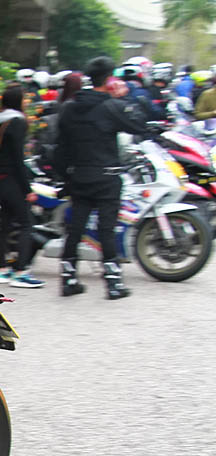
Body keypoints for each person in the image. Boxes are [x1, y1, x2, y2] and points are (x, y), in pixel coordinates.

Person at [55, 56, 148, 300]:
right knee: (106, 229)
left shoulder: (70, 107)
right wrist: (125, 98)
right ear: (109, 79)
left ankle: (69, 279)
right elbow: (140, 125)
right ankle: (113, 283)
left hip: (78, 176)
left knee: (75, 228)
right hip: (107, 177)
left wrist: (64, 177)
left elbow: (61, 147)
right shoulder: (111, 106)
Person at [0, 83, 44, 287]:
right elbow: (18, 160)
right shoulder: (18, 122)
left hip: (0, 179)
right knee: (26, 223)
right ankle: (21, 270)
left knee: (5, 224)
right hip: (13, 179)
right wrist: (27, 189)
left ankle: (1, 268)